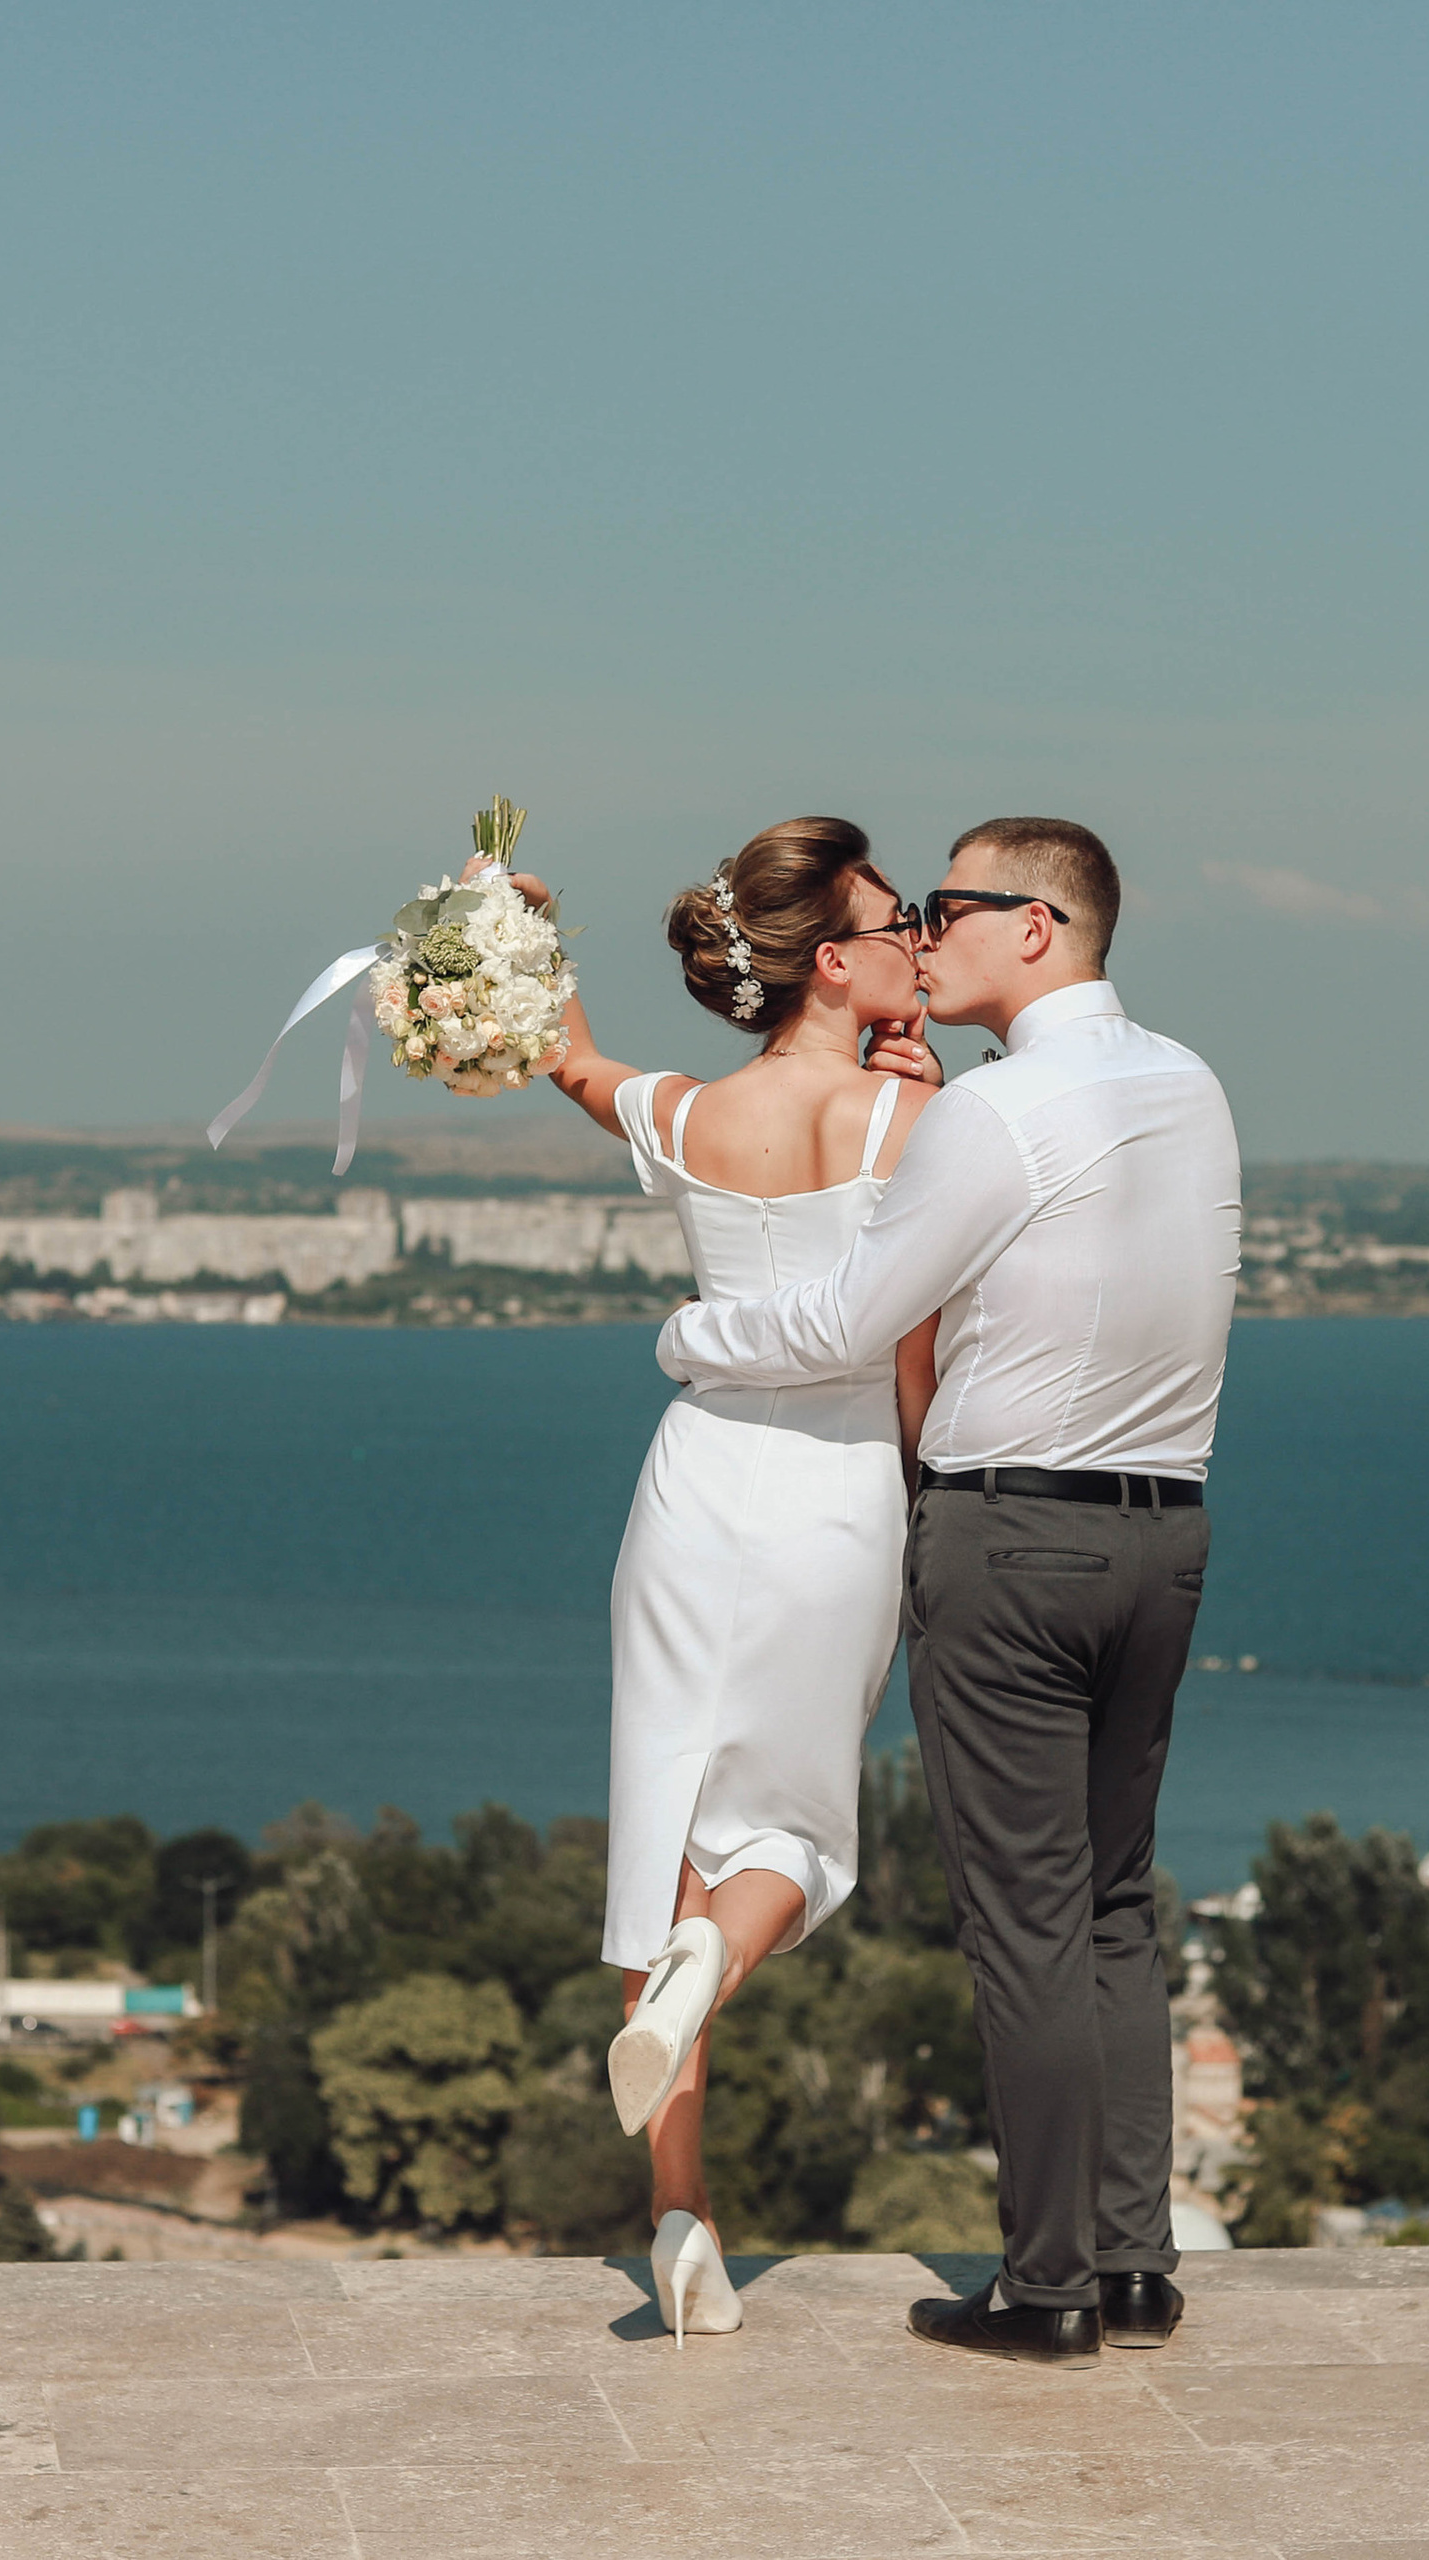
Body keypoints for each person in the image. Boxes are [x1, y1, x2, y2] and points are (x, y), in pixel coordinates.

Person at [657, 817, 1239, 2369]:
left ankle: (1044, 2285)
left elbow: (848, 1319)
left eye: (952, 906)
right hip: (1167, 1536)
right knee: (1119, 1906)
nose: (929, 931)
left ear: (1038, 925)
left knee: (1029, 1927)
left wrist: (687, 1339)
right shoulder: (1190, 1087)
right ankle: (1131, 2266)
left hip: (1012, 1545)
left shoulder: (999, 1113)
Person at [490, 816, 941, 2344]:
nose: (921, 945)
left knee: (667, 1826)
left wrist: (512, 922)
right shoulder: (910, 1126)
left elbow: (568, 1057)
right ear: (834, 960)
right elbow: (926, 1351)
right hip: (834, 1493)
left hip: (692, 1486)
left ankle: (681, 2228)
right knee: (797, 1837)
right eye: (900, 925)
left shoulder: (689, 1118)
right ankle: (712, 1970)